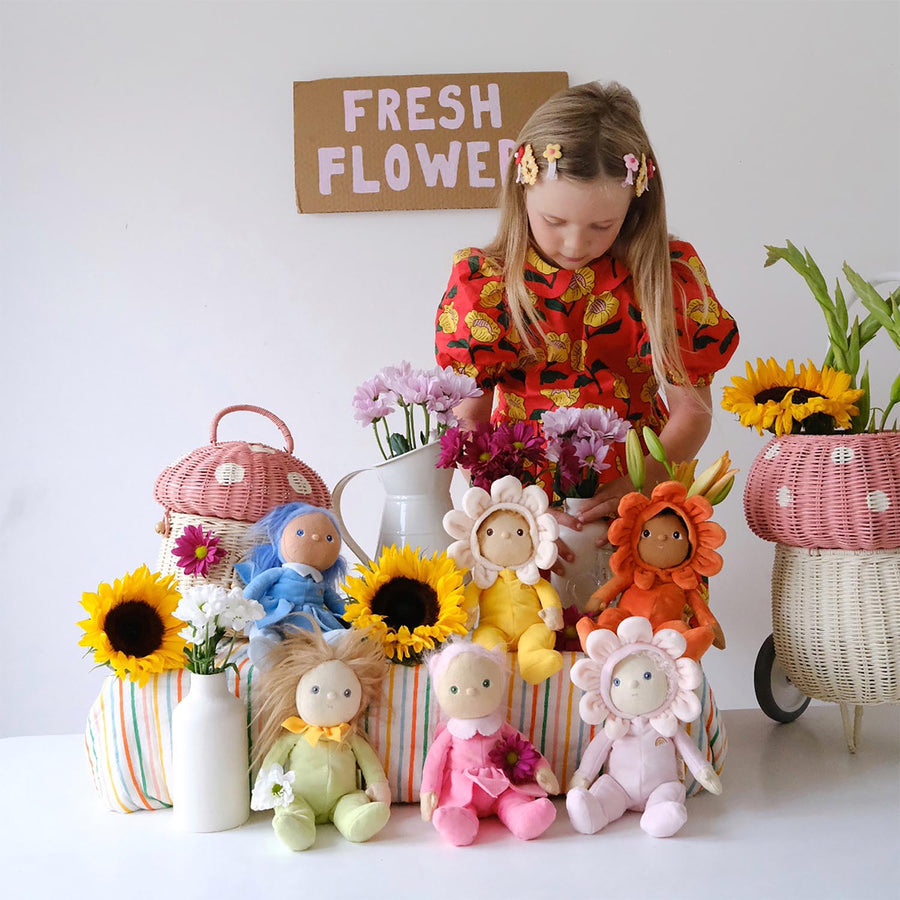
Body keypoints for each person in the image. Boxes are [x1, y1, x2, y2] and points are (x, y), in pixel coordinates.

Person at [434, 81, 739, 572]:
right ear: (522, 190)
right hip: (519, 511)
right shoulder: (486, 283)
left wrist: (635, 486)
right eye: (554, 220)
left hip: (639, 506)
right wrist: (509, 507)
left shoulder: (666, 275)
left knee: (642, 637)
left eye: (602, 226)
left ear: (635, 206)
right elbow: (469, 419)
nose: (575, 244)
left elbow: (693, 412)